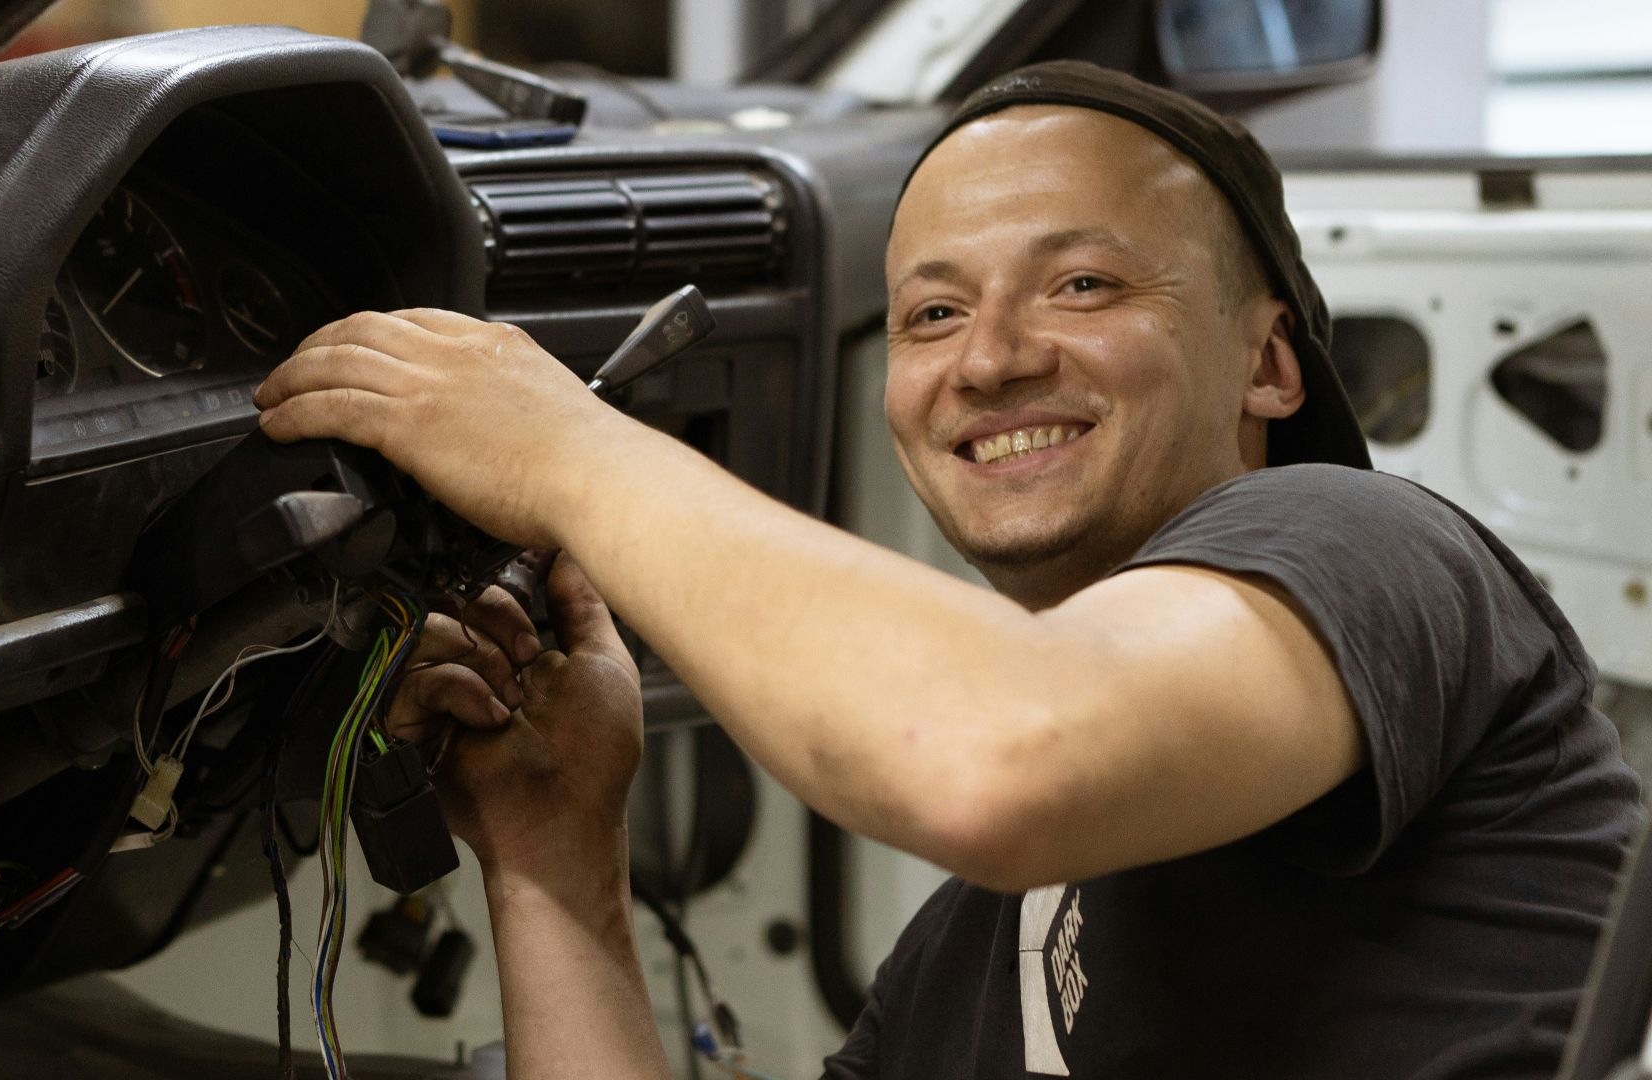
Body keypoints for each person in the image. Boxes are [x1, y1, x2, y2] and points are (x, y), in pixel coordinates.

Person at [252, 61, 1644, 1079]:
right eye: (931, 312)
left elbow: (997, 759)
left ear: (1269, 364)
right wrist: (558, 861)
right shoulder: (977, 959)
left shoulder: (1367, 541)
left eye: (1084, 285)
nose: (988, 361)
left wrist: (559, 447)